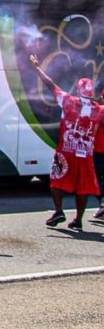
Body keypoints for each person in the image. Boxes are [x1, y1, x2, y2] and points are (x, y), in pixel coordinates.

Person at [29, 56, 102, 229]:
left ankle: (59, 210)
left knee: (56, 179)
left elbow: (50, 84)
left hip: (65, 152)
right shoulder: (99, 110)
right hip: (86, 155)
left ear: (79, 90)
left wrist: (37, 67)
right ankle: (78, 219)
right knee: (83, 187)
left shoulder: (68, 101)